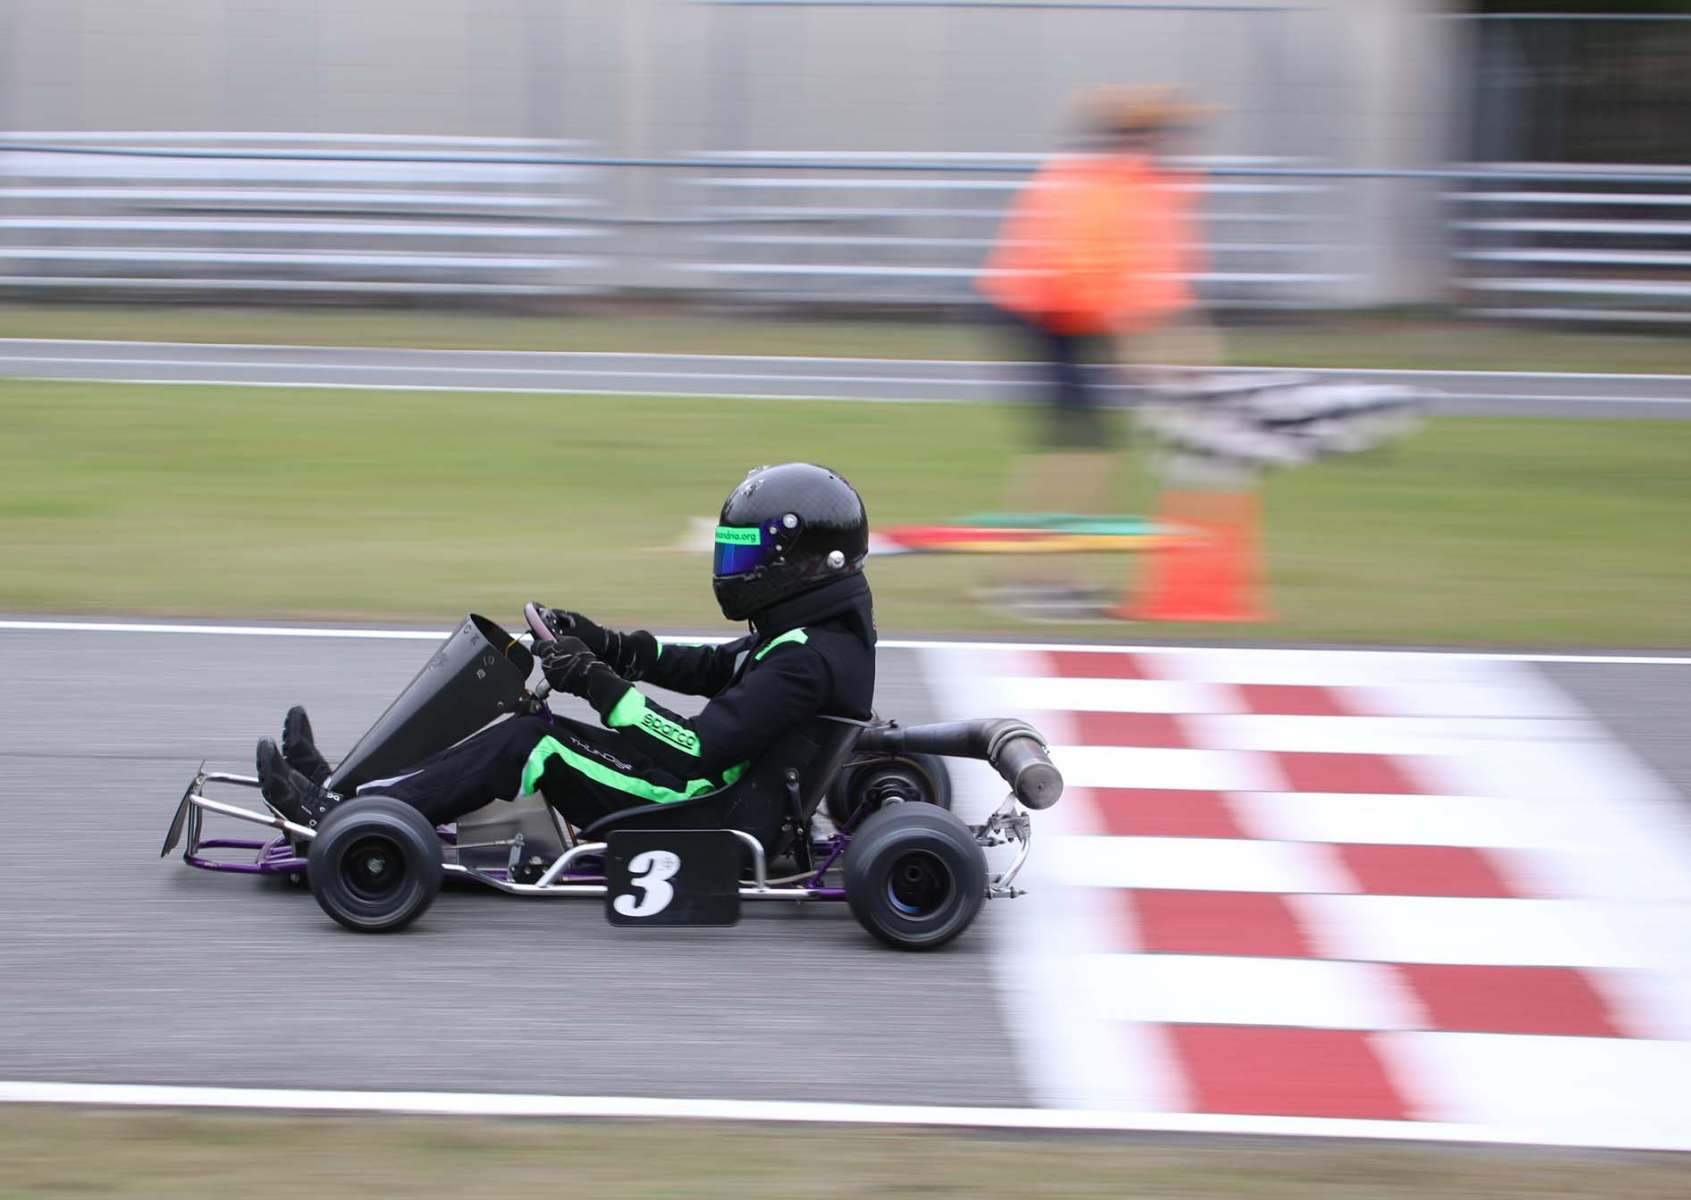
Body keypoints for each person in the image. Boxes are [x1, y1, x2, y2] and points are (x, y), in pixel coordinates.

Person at [255, 462, 876, 832]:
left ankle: (345, 818)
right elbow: (707, 667)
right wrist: (600, 642)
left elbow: (696, 749)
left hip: (703, 810)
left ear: (804, 565)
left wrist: (593, 681)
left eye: (748, 556)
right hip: (711, 789)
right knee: (529, 725)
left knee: (533, 741)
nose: (736, 570)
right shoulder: (809, 636)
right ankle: (350, 793)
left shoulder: (806, 659)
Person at [977, 84, 1218, 615]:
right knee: (1077, 449)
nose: (1182, 146)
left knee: (1081, 448)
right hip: (1040, 311)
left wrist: (1166, 348)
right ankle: (1032, 581)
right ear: (1146, 140)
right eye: (1172, 136)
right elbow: (1094, 279)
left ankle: (1046, 575)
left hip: (1061, 313)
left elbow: (1159, 283)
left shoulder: (1130, 184)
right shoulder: (1114, 187)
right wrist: (1140, 351)